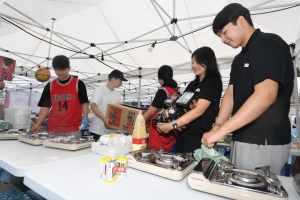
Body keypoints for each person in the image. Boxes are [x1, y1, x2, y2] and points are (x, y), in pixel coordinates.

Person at [201, 3, 294, 175]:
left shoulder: (266, 43)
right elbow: (230, 95)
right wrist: (217, 126)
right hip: (242, 137)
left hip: (263, 140)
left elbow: (266, 95)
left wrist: (222, 130)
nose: (223, 39)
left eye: (224, 31)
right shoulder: (239, 58)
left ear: (241, 21)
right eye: (219, 35)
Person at [158, 47, 222, 153]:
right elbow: (180, 109)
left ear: (208, 61)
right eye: (192, 62)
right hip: (183, 135)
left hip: (199, 138)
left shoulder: (212, 82)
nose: (194, 65)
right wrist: (166, 121)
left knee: (194, 168)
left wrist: (171, 125)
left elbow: (199, 110)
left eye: (198, 62)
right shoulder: (192, 85)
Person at [31, 55, 89, 138]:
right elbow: (45, 107)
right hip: (53, 128)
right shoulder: (50, 86)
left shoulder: (78, 84)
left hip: (73, 129)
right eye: (57, 70)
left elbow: (84, 102)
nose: (60, 73)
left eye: (63, 70)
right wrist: (38, 123)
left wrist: (85, 116)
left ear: (69, 68)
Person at [138, 65, 178, 153]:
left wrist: (136, 125)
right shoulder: (175, 91)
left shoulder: (163, 91)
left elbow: (150, 113)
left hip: (158, 132)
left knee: (155, 157)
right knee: (165, 159)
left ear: (159, 78)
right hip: (170, 132)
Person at [89, 70, 127, 141]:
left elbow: (119, 110)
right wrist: (104, 119)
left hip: (110, 131)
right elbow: (93, 106)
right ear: (113, 79)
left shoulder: (117, 94)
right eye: (120, 81)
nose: (121, 83)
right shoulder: (100, 90)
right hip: (98, 130)